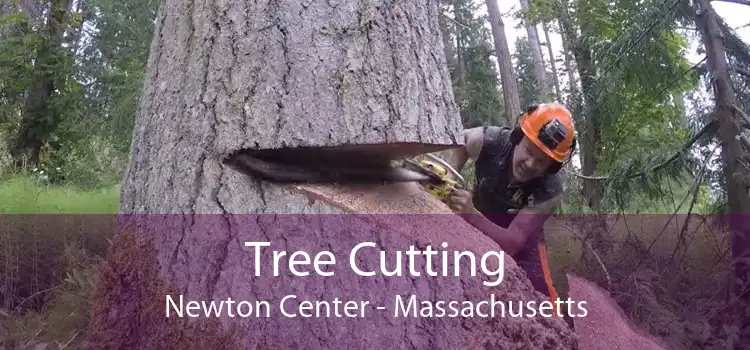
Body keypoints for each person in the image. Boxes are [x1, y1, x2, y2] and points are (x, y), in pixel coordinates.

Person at [445, 102, 577, 311]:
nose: (531, 164)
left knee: (542, 297)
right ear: (517, 138)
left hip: (520, 237)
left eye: (541, 162)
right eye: (529, 151)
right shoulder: (492, 140)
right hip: (478, 218)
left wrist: (470, 214)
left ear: (551, 168)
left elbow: (513, 242)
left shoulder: (549, 191)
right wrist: (449, 177)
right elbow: (463, 140)